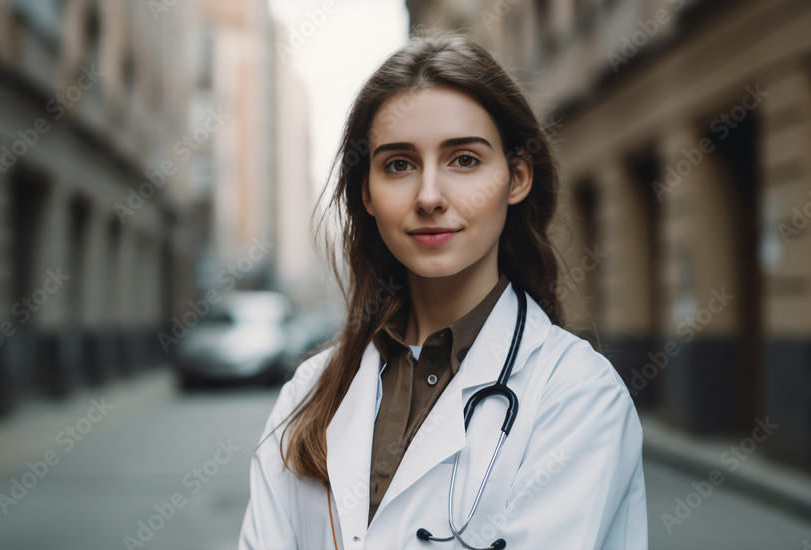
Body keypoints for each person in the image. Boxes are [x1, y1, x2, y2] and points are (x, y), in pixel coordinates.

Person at [238, 30, 647, 550]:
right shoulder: (308, 395)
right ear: (367, 193)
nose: (429, 196)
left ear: (517, 178)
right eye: (399, 165)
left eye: (464, 160)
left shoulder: (578, 397)